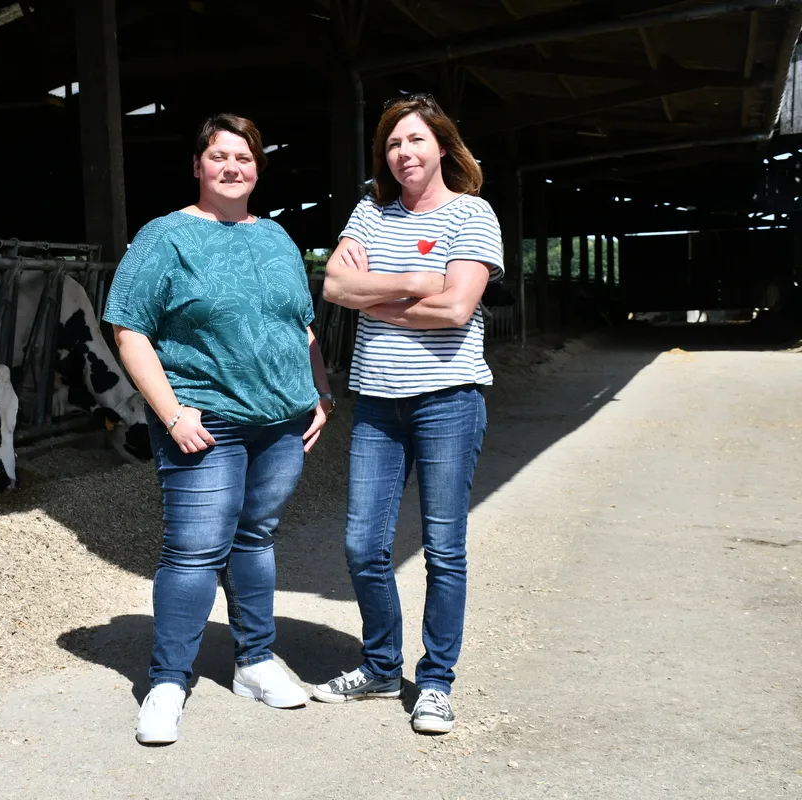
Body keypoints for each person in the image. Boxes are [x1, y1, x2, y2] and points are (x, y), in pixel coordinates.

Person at [102, 113, 335, 745]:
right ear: (198, 166)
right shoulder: (164, 237)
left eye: (245, 158)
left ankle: (254, 661)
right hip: (205, 419)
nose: (233, 167)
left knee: (255, 539)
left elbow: (300, 324)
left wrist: (319, 391)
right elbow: (129, 329)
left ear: (258, 169)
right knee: (195, 549)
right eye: (219, 156)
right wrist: (171, 413)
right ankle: (167, 681)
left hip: (282, 422)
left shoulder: (278, 237)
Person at [310, 92, 504, 735]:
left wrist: (375, 298)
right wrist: (419, 281)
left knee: (443, 548)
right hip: (377, 402)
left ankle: (437, 682)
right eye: (393, 143)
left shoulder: (472, 214)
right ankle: (381, 666)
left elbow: (457, 309)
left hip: (449, 400)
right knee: (363, 544)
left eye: (416, 139)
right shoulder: (370, 210)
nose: (404, 153)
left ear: (442, 145)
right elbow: (335, 287)